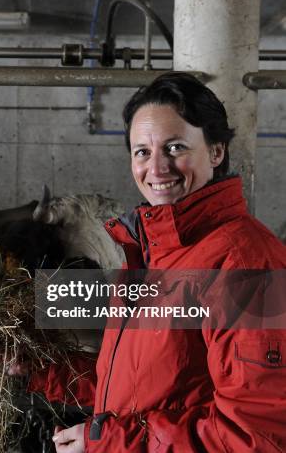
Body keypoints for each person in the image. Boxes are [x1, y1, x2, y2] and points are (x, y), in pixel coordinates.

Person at [24, 72, 286, 452]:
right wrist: (38, 370)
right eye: (142, 151)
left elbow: (256, 435)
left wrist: (108, 441)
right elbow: (133, 386)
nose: (157, 168)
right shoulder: (151, 254)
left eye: (176, 147)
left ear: (216, 151)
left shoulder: (245, 261)